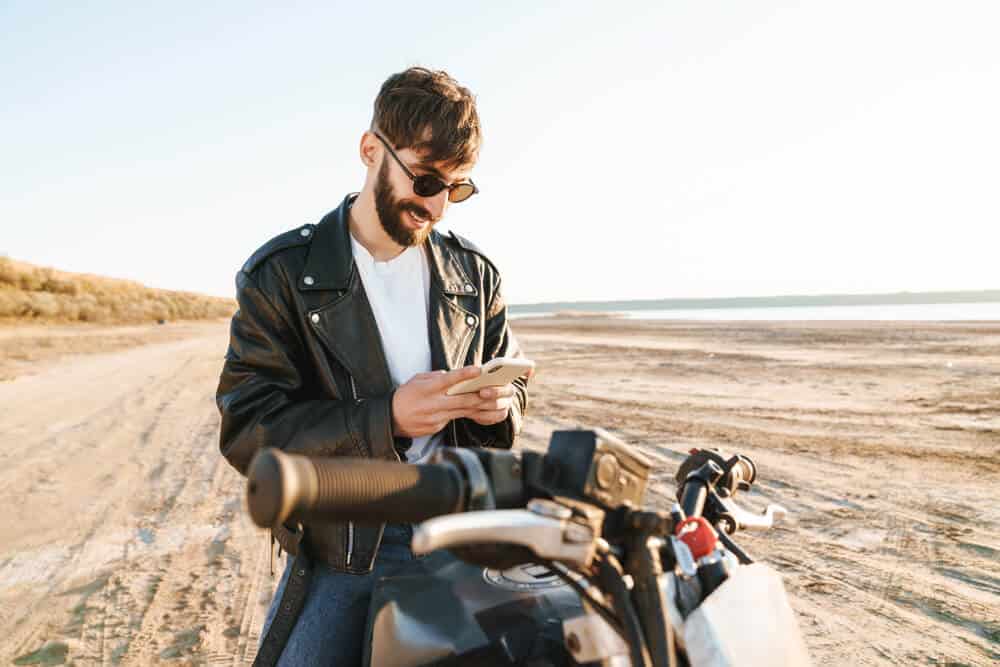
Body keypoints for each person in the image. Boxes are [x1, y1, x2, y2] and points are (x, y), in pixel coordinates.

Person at [215, 67, 529, 666]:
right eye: (427, 178)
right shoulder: (281, 274)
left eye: (456, 188)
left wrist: (499, 405)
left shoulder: (475, 275)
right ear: (370, 150)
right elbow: (248, 432)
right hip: (349, 547)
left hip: (461, 536)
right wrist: (386, 420)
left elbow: (509, 389)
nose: (436, 205)